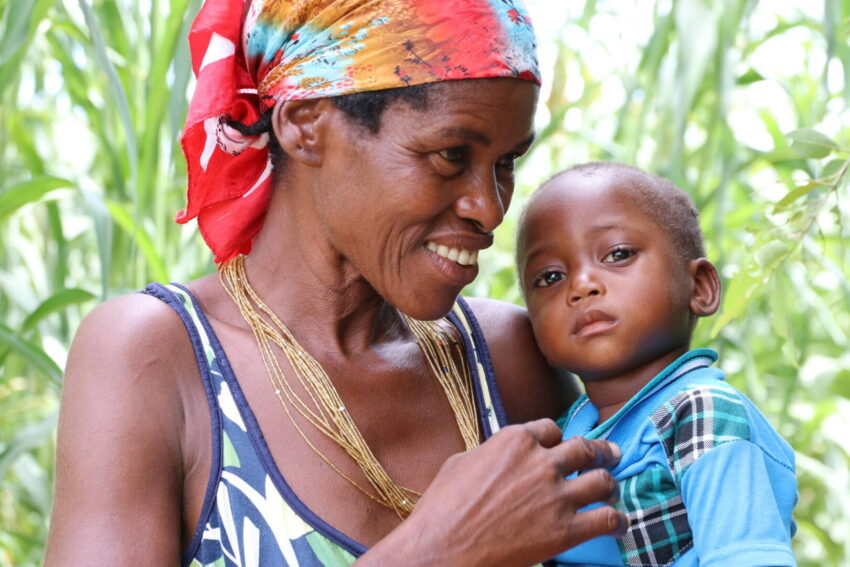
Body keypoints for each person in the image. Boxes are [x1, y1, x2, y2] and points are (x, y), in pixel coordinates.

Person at [45, 2, 629, 565]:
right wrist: (432, 553)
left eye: (506, 163)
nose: (490, 208)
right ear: (305, 125)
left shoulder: (503, 358)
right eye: (452, 154)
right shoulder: (158, 358)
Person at [516, 162, 798, 566]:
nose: (581, 285)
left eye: (617, 254)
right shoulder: (564, 434)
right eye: (550, 277)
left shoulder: (702, 415)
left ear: (699, 288)